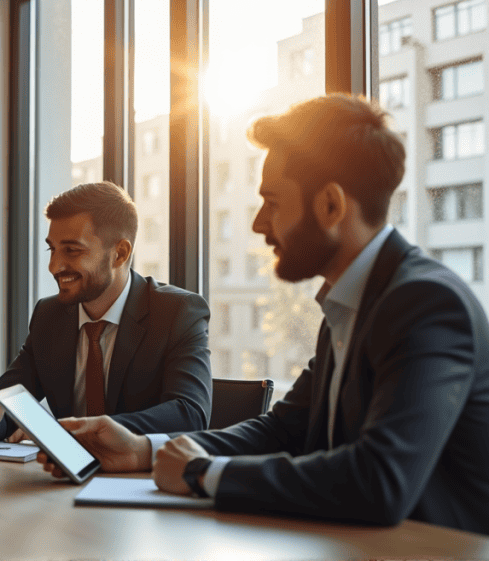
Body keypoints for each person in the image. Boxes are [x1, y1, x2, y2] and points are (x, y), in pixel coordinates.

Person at [39, 94, 489, 535]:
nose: (258, 223)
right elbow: (283, 430)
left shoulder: (426, 304)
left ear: (330, 206)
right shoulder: (352, 303)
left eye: (272, 202)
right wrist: (145, 450)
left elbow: (379, 480)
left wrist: (204, 475)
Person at [0, 181, 211, 444]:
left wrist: (75, 431)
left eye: (72, 250)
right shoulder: (49, 315)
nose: (54, 266)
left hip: (142, 479)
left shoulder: (177, 312)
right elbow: (8, 407)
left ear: (120, 254)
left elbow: (189, 415)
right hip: (62, 481)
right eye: (52, 249)